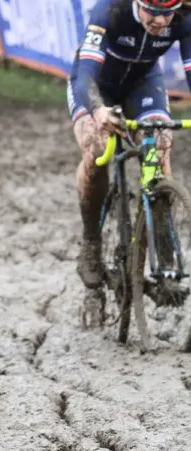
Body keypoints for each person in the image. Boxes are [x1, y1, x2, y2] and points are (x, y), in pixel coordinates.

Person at [68, 0, 191, 317]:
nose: (162, 22)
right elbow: (85, 76)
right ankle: (91, 242)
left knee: (161, 142)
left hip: (142, 84)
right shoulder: (110, 10)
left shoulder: (184, 17)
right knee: (97, 149)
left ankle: (164, 250)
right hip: (95, 86)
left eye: (168, 14)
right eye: (153, 13)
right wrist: (97, 109)